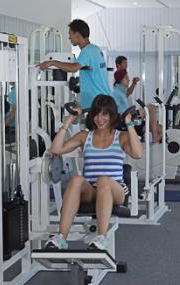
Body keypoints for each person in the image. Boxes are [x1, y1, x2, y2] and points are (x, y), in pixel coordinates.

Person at [45, 94, 143, 250]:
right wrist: (69, 121)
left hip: (115, 190)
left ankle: (101, 238)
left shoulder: (122, 137)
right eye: (96, 114)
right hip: (91, 190)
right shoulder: (85, 136)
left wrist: (129, 123)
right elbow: (56, 150)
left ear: (112, 115)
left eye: (105, 114)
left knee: (103, 179)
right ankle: (61, 237)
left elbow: (138, 154)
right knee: (76, 179)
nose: (100, 118)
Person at [38, 19, 112, 109]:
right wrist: (78, 82)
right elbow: (94, 73)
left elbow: (73, 68)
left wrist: (52, 62)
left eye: (70, 34)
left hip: (98, 104)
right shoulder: (95, 49)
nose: (69, 37)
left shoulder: (87, 51)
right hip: (103, 100)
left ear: (77, 35)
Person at [112, 69, 162, 143]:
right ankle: (154, 137)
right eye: (126, 78)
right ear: (120, 80)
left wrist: (134, 83)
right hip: (126, 120)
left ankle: (155, 140)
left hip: (130, 116)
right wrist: (126, 116)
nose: (129, 80)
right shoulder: (116, 93)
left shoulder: (121, 91)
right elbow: (114, 110)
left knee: (160, 128)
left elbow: (129, 92)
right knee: (151, 107)